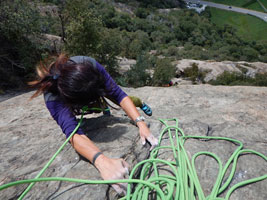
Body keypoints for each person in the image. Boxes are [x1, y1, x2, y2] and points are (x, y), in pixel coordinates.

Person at [29, 54, 158, 195]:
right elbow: (72, 132)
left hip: (92, 87)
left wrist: (141, 122)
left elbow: (118, 95)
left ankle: (140, 104)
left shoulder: (90, 65)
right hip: (75, 97)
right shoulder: (53, 97)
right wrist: (101, 161)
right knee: (92, 107)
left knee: (126, 99)